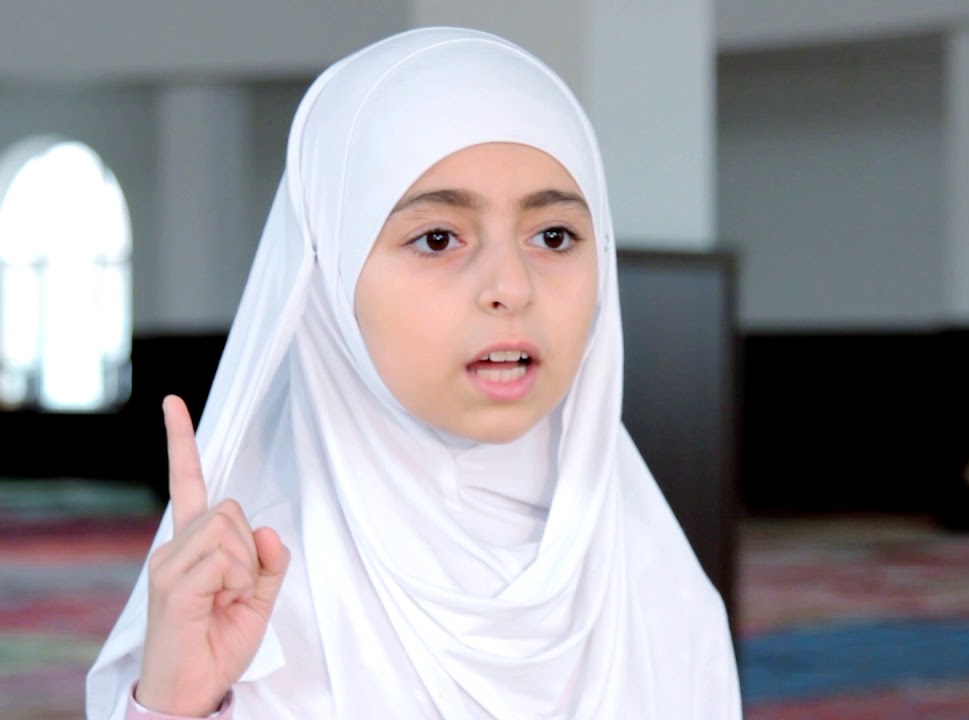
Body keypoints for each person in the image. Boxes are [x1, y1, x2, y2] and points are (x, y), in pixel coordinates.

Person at [85, 26, 741, 719]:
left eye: (554, 237)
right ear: (328, 276)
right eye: (438, 238)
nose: (511, 287)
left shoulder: (658, 581)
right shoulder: (248, 597)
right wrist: (177, 704)